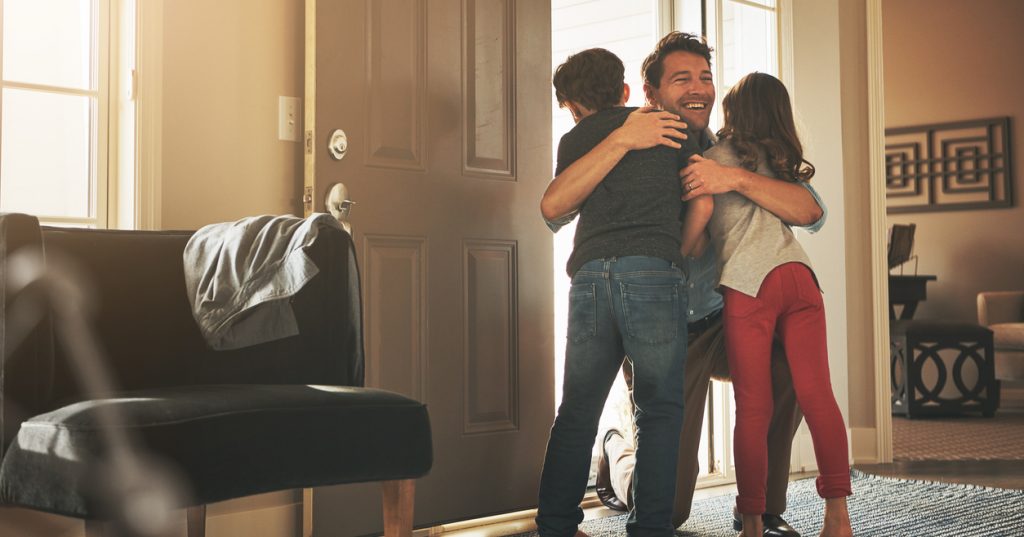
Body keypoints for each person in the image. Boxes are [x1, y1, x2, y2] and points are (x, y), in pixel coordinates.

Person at [551, 33, 827, 537]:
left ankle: (762, 506)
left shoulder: (733, 151)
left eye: (704, 77)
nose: (698, 88)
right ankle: (619, 451)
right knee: (669, 505)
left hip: (721, 320)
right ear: (650, 95)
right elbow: (557, 209)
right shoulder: (636, 143)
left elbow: (811, 211)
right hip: (664, 326)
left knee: (786, 362)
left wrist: (734, 181)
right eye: (682, 79)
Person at [536, 47, 700, 537]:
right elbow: (702, 201)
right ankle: (650, 527)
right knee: (660, 407)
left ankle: (557, 524)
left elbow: (562, 205)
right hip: (653, 271)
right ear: (627, 91)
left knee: (578, 408)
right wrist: (677, 258)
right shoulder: (671, 128)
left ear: (571, 105)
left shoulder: (574, 140)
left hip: (589, 277)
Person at [683, 72, 853, 537]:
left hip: (749, 284)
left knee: (753, 407)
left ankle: (753, 521)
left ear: (734, 113)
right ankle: (838, 519)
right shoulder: (782, 164)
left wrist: (687, 246)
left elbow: (698, 227)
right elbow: (808, 212)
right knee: (819, 396)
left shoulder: (713, 159)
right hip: (800, 277)